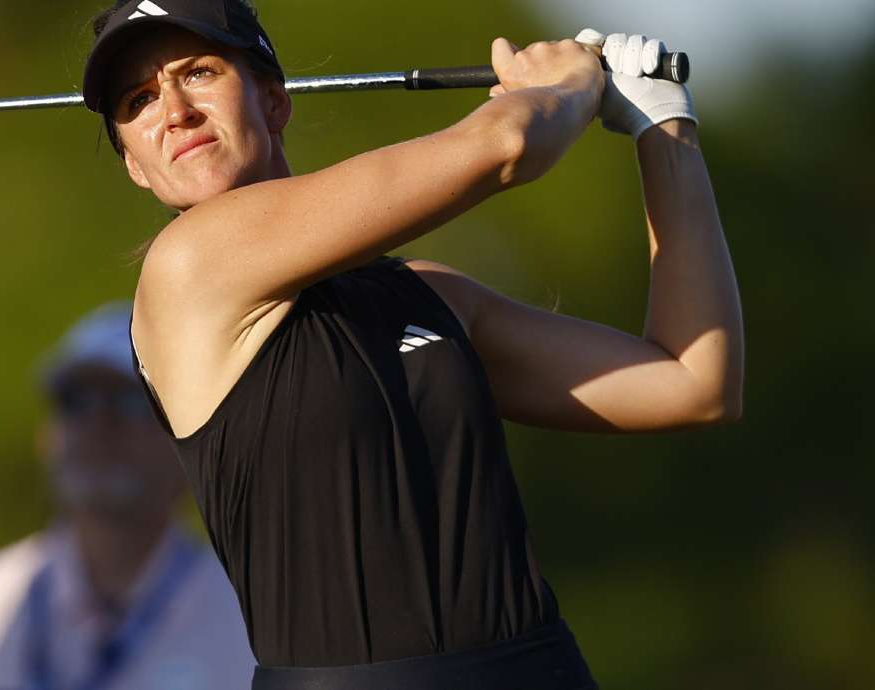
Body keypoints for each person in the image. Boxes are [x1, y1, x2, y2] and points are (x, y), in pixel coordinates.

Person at [81, 1, 744, 689]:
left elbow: (694, 382)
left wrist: (663, 123)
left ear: (274, 101)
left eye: (199, 72)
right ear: (134, 163)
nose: (174, 109)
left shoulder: (431, 296)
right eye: (138, 100)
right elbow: (508, 145)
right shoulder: (187, 268)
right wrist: (566, 80)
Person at [0, 302, 257, 690]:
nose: (98, 424)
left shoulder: (254, 625)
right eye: (76, 402)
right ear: (46, 439)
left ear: (190, 441)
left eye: (133, 402)